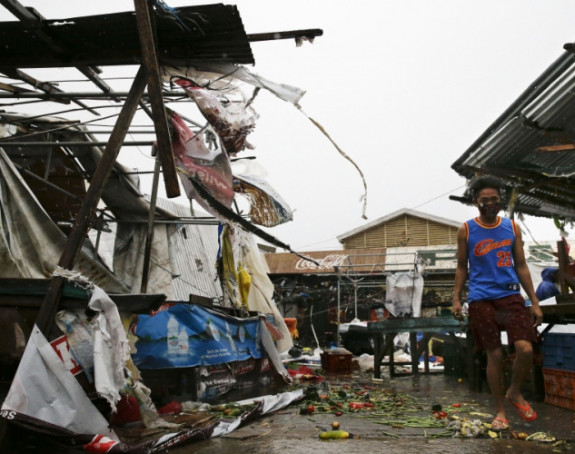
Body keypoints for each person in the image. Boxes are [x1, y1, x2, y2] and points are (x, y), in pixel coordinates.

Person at [452, 175, 543, 431]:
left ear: (500, 200)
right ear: (475, 202)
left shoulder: (512, 228)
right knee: (494, 354)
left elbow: (522, 265)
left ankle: (514, 392)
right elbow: (461, 266)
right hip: (481, 298)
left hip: (511, 296)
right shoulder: (467, 230)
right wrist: (456, 298)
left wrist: (534, 302)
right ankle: (500, 411)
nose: (490, 204)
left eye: (494, 200)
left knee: (525, 349)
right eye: (484, 200)